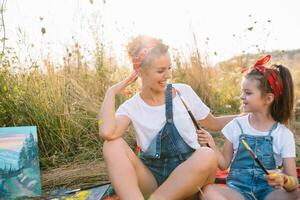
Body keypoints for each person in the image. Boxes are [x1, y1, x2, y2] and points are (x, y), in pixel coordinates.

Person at [99, 35, 236, 200]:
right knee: (111, 146)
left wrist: (248, 116)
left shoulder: (183, 92)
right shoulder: (132, 106)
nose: (167, 75)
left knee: (206, 154)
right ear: (140, 72)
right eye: (160, 70)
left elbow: (214, 123)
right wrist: (111, 92)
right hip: (154, 179)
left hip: (191, 177)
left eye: (169, 68)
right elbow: (108, 133)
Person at [198, 55, 300, 200]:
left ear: (268, 99)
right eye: (242, 91)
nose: (242, 97)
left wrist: (283, 179)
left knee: (297, 194)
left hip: (268, 193)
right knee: (208, 191)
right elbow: (224, 164)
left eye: (248, 93)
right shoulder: (236, 125)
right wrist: (212, 145)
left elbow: (294, 183)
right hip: (238, 192)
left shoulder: (283, 134)